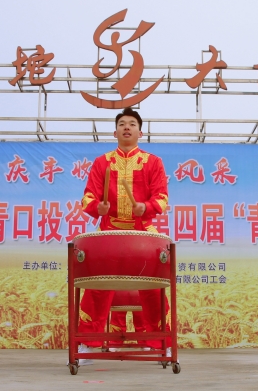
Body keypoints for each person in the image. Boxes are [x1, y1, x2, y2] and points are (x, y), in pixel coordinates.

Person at [76, 107, 170, 365]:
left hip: (143, 232)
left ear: (140, 132)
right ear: (115, 132)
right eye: (122, 124)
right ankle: (88, 344)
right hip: (109, 231)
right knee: (97, 287)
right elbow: (88, 198)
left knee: (153, 287)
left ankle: (160, 342)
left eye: (132, 124)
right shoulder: (102, 162)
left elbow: (162, 198)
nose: (127, 127)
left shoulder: (153, 162)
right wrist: (98, 207)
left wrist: (145, 207)